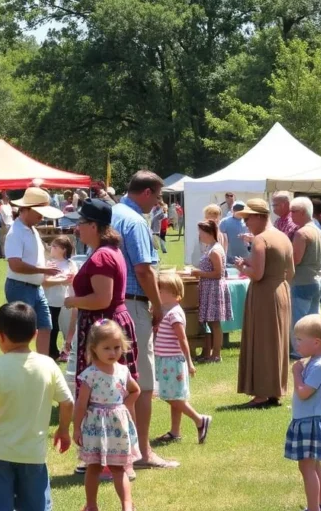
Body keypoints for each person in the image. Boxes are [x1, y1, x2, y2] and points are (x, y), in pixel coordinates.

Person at [0, 302, 74, 511]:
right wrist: (63, 429)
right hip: (33, 453)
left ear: (0, 335)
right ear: (35, 334)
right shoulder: (48, 365)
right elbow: (67, 402)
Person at [110, 171, 177, 469]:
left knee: (117, 380)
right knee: (143, 383)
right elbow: (143, 270)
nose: (160, 203)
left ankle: (121, 449)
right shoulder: (135, 221)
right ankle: (143, 453)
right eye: (159, 196)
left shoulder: (112, 212)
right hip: (133, 303)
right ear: (147, 192)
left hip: (110, 304)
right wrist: (158, 304)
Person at [65, 199, 140, 394]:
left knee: (104, 392)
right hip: (106, 325)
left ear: (93, 225)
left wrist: (72, 301)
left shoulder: (102, 256)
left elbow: (102, 299)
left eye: (80, 223)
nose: (77, 228)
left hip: (104, 326)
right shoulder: (106, 252)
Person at [74, 320, 142, 511]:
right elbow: (81, 404)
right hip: (96, 426)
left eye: (117, 347)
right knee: (93, 467)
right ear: (94, 348)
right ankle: (92, 505)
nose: (113, 353)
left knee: (119, 468)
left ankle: (127, 505)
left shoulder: (123, 371)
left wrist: (125, 405)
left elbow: (135, 390)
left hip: (117, 428)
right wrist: (76, 428)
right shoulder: (90, 374)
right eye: (107, 348)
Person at [234, 198, 295, 408]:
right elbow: (291, 271)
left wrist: (243, 267)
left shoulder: (260, 240)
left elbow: (257, 275)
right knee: (276, 343)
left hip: (264, 294)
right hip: (282, 291)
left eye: (248, 218)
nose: (246, 222)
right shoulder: (283, 237)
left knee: (261, 342)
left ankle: (261, 394)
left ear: (260, 216)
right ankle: (275, 390)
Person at [287, 314, 321, 511]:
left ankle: (314, 508)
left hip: (311, 423)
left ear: (316, 342)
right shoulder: (317, 361)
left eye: (300, 339)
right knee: (315, 465)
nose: (296, 343)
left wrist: (297, 374)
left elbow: (303, 393)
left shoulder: (319, 366)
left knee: (307, 467)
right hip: (311, 422)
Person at [152, 273, 212, 445]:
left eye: (161, 290)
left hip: (172, 362)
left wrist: (190, 362)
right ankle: (175, 431)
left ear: (174, 293)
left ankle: (199, 420)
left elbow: (182, 339)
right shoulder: (165, 311)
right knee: (174, 396)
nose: (157, 293)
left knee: (170, 396)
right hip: (165, 360)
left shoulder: (174, 314)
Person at [4, 187, 64, 356]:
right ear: (26, 209)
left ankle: (42, 363)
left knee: (46, 326)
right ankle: (21, 363)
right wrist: (43, 269)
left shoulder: (32, 229)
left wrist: (45, 267)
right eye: (38, 212)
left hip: (35, 288)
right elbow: (15, 265)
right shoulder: (15, 232)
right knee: (22, 331)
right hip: (19, 286)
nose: (42, 216)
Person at [192, 219, 232, 363]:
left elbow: (218, 273)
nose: (199, 235)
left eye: (201, 232)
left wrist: (199, 273)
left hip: (214, 288)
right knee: (209, 322)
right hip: (209, 288)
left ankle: (216, 354)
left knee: (214, 323)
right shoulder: (211, 247)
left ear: (208, 233)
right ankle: (208, 352)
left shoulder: (215, 250)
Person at [290, 197, 321, 358]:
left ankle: (299, 351)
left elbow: (295, 259)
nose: (290, 215)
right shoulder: (317, 230)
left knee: (299, 321)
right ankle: (315, 349)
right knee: (314, 319)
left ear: (303, 212)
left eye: (293, 211)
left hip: (302, 280)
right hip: (317, 278)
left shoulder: (302, 233)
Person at [43, 235, 78, 360]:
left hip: (66, 301)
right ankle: (52, 352)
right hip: (51, 301)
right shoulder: (49, 264)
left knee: (66, 326)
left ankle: (67, 349)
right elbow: (45, 282)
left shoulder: (70, 264)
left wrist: (59, 279)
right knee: (52, 328)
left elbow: (73, 279)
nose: (51, 248)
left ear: (63, 249)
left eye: (54, 246)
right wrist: (62, 280)